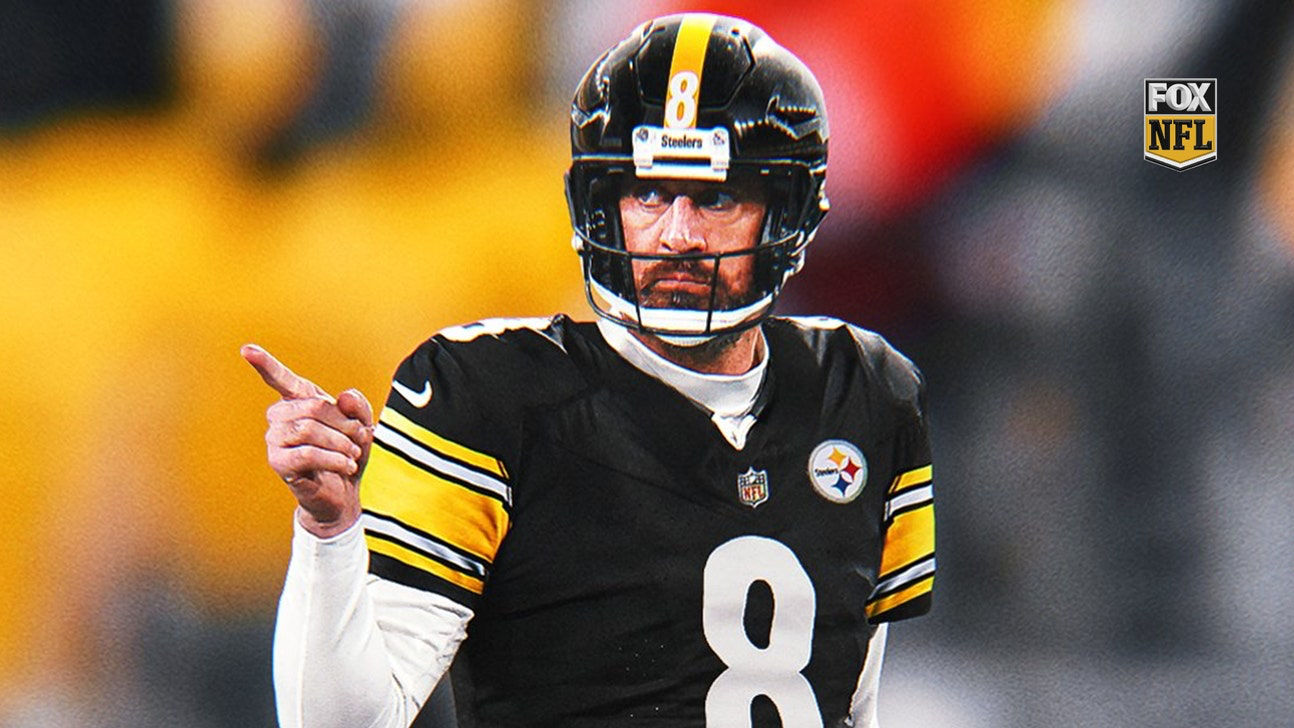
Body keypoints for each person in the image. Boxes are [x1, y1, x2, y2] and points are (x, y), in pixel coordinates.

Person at [244, 13, 934, 728]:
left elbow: (849, 702)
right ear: (600, 205)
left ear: (787, 214)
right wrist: (329, 531)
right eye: (648, 195)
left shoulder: (867, 391)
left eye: (717, 198)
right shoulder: (484, 398)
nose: (678, 236)